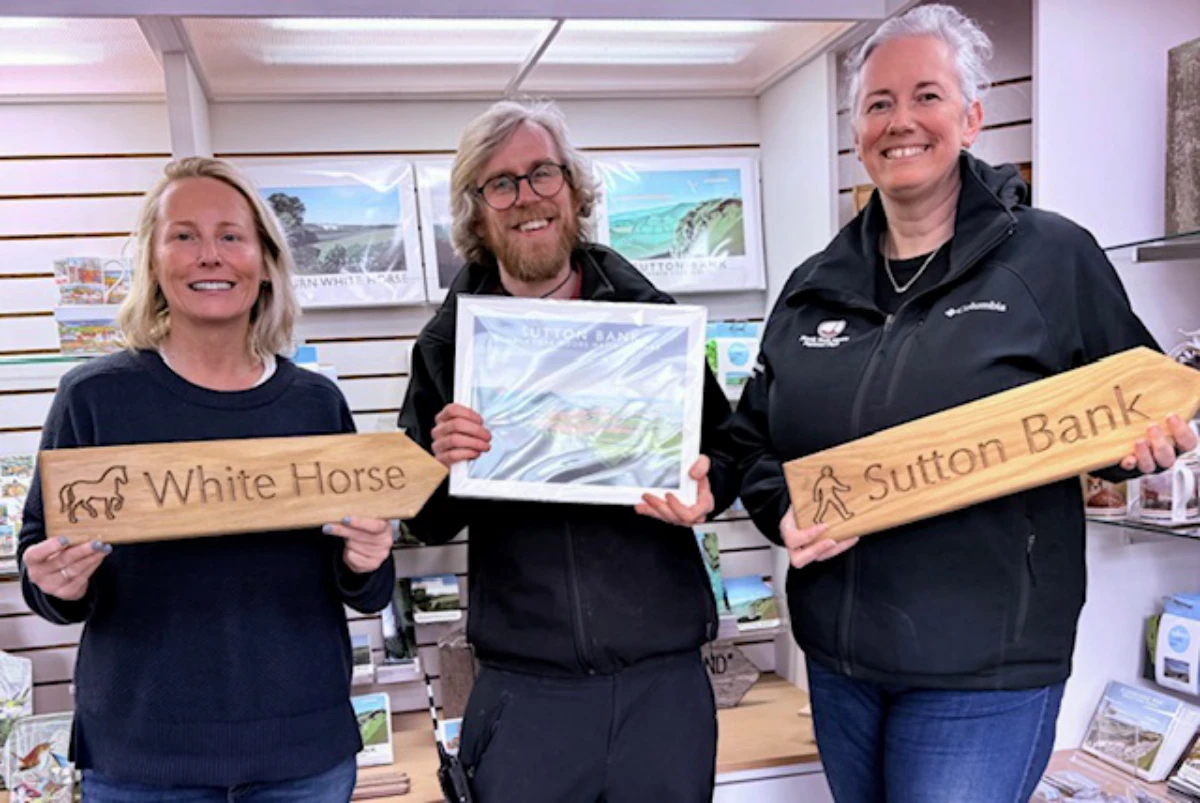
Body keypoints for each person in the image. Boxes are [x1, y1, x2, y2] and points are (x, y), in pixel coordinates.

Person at [727, 6, 1198, 802]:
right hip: (842, 664)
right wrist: (782, 508)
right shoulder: (812, 286)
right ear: (857, 132)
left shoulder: (1052, 258)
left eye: (927, 96)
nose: (900, 121)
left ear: (973, 116)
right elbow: (750, 441)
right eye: (878, 103)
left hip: (986, 670)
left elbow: (1130, 405)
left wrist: (1144, 449)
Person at [18, 157, 397, 803]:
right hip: (142, 761)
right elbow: (43, 568)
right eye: (184, 235)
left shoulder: (315, 403)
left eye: (231, 235)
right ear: (154, 259)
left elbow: (366, 584)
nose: (209, 255)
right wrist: (57, 581)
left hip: (304, 756)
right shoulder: (93, 398)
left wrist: (367, 560)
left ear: (265, 260)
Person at [397, 99, 739, 803]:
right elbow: (423, 520)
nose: (527, 196)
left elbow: (728, 450)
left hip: (661, 686)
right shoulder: (447, 346)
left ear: (574, 190)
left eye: (542, 173)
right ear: (477, 212)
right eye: (501, 184)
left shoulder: (650, 320)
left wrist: (711, 487)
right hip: (527, 695)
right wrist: (439, 463)